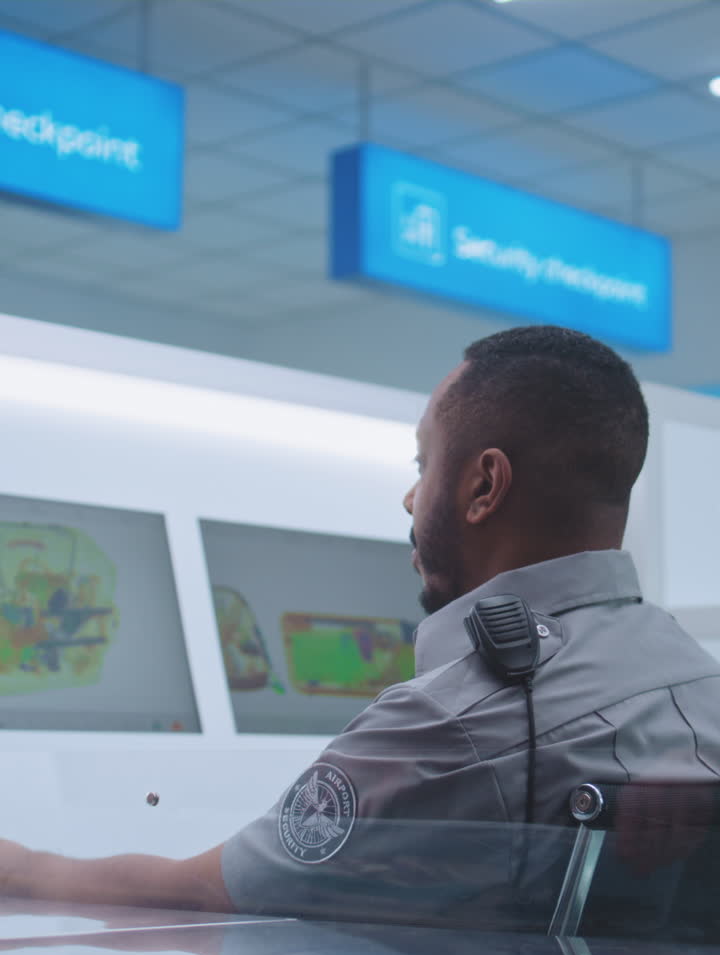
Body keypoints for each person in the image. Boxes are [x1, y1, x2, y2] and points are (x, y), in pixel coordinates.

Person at [1, 325, 719, 921]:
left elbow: (203, 895)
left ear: (483, 485)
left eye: (424, 464)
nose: (411, 497)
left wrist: (23, 869)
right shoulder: (700, 684)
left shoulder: (455, 723)